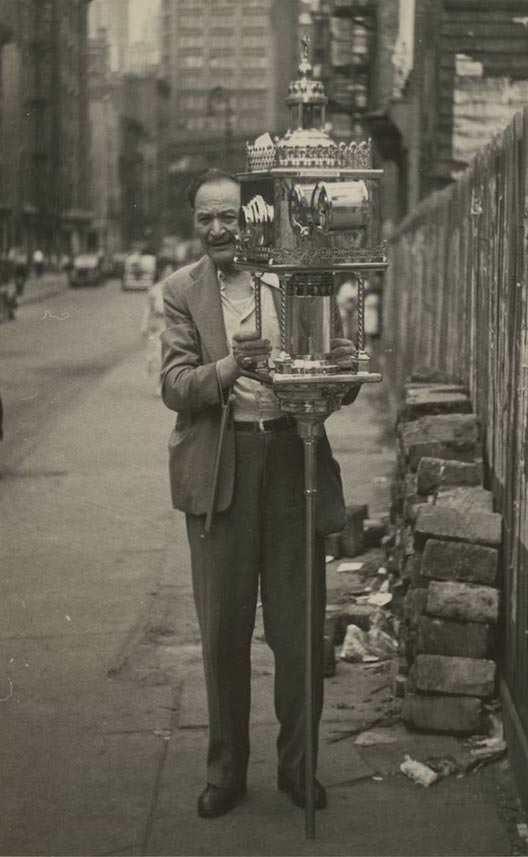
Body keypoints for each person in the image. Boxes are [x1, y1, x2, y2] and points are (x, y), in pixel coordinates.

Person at [160, 168, 357, 820]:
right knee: (223, 633)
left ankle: (300, 770)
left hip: (291, 459)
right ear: (196, 224)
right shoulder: (181, 292)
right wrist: (231, 367)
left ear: (251, 217)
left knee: (299, 630)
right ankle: (227, 771)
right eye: (206, 218)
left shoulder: (291, 279)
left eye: (228, 216)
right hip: (221, 472)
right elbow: (175, 385)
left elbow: (339, 367)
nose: (218, 228)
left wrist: (328, 364)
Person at [140, 280, 166, 395]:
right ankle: (160, 384)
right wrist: (144, 325)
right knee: (158, 355)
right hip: (158, 324)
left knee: (168, 356)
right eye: (166, 272)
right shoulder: (154, 290)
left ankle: (164, 383)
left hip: (171, 323)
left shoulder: (176, 286)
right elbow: (148, 309)